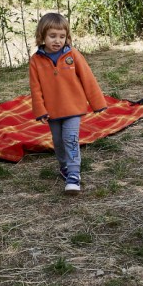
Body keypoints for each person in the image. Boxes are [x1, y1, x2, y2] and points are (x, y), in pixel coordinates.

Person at [29, 12, 107, 194]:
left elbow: (88, 78)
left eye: (62, 36)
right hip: (52, 110)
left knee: (70, 139)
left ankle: (73, 174)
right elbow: (35, 88)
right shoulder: (36, 60)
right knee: (58, 142)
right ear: (42, 36)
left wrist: (97, 103)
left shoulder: (73, 55)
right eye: (52, 36)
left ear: (67, 37)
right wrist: (40, 110)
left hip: (73, 107)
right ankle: (64, 166)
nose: (57, 40)